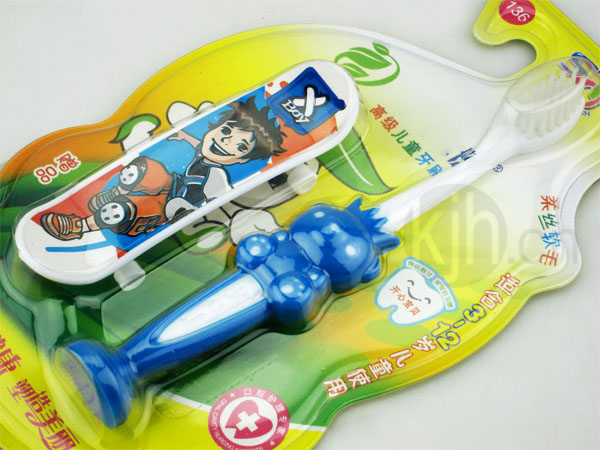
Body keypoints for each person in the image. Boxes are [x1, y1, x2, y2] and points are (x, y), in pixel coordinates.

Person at [40, 96, 286, 240]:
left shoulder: (219, 176)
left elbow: (215, 196)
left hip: (168, 209)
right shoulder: (206, 150)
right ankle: (113, 193)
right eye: (226, 131)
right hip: (170, 184)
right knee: (146, 169)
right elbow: (199, 144)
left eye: (240, 146)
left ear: (242, 160)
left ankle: (79, 226)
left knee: (123, 211)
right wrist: (185, 137)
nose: (226, 141)